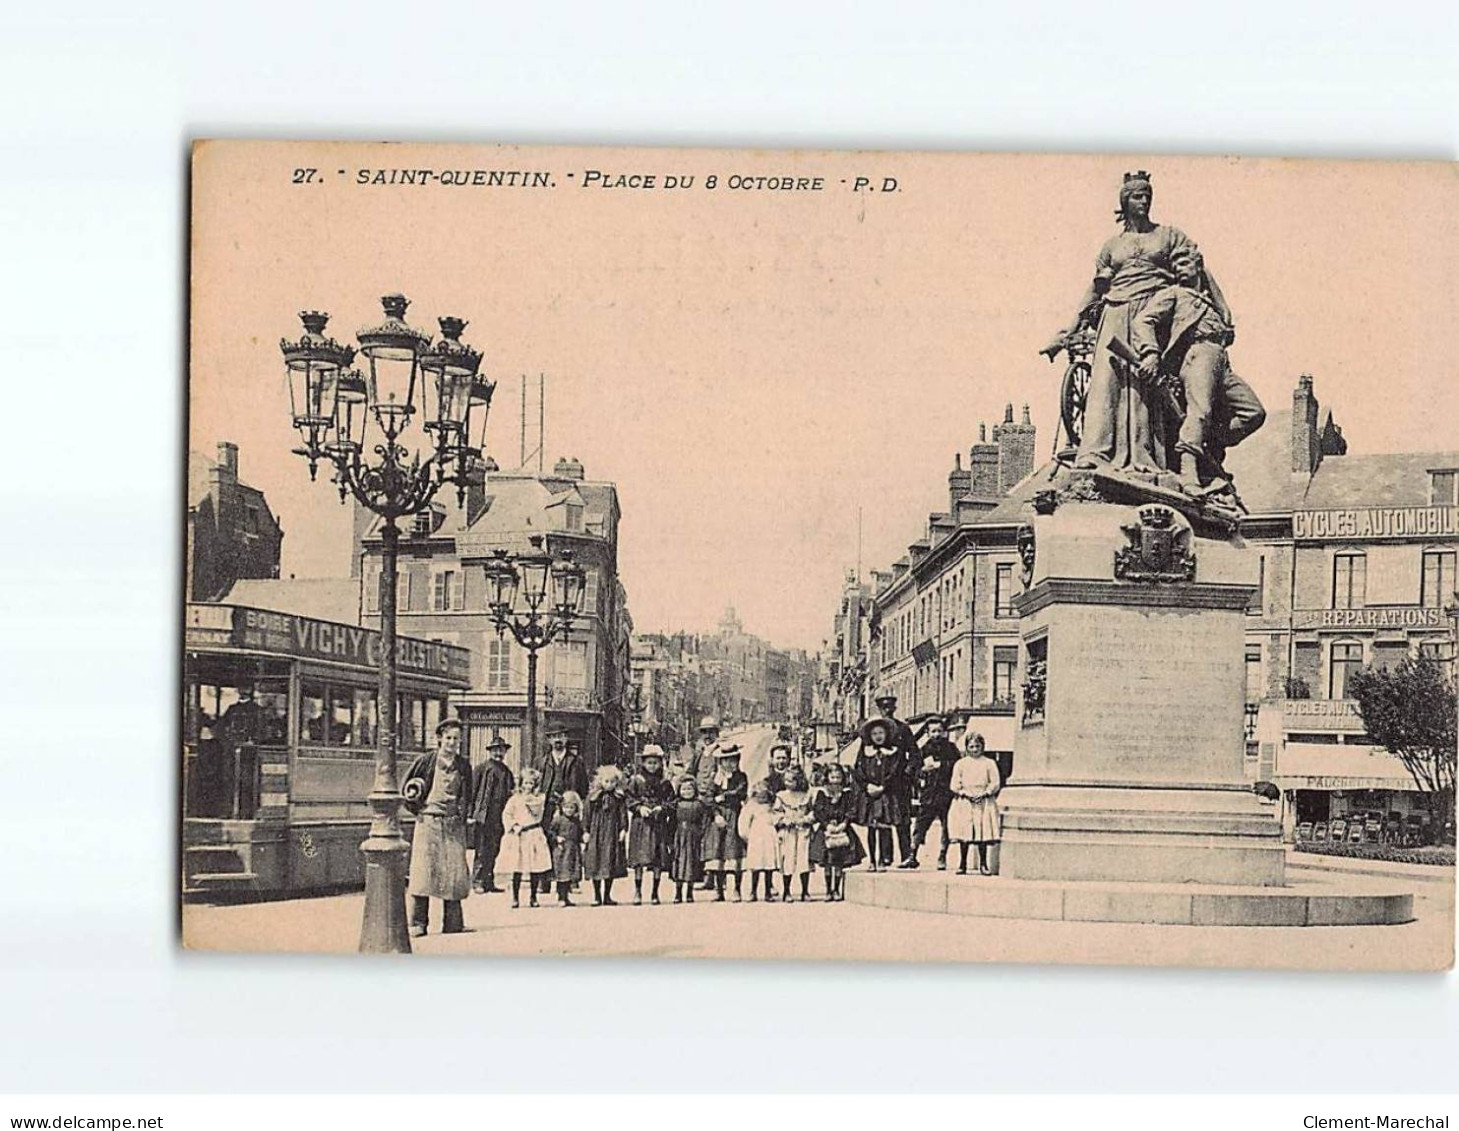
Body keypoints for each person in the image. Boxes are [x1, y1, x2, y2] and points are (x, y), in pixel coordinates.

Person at [1043, 171, 1231, 474]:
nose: (1144, 200)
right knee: (1106, 382)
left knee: (1146, 385)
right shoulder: (1111, 247)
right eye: (1136, 196)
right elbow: (1095, 289)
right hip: (1114, 314)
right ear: (1124, 201)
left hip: (1155, 315)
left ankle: (1146, 455)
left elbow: (1199, 268)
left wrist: (1221, 308)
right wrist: (1067, 331)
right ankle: (1096, 453)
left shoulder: (1169, 235)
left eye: (1147, 195)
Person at [1130, 245, 1265, 496]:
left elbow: (1225, 312)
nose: (1178, 269)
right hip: (1197, 355)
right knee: (1199, 410)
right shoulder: (1174, 294)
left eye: (1184, 263)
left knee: (1254, 413)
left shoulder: (1210, 302)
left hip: (1221, 360)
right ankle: (1189, 471)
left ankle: (1209, 444)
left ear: (1198, 266)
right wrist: (1150, 352)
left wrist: (1206, 274)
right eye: (1175, 265)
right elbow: (1143, 320)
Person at [402, 717, 474, 936]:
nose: (452, 742)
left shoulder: (463, 765)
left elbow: (467, 794)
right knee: (424, 874)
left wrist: (463, 816)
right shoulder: (425, 761)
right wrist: (419, 811)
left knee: (454, 874)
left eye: (456, 739)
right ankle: (418, 923)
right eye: (449, 738)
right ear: (440, 739)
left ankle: (453, 923)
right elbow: (407, 789)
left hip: (452, 824)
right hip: (428, 822)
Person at [870, 693, 917, 866]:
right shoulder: (874, 730)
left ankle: (906, 856)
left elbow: (914, 753)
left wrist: (909, 771)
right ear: (880, 710)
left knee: (902, 819)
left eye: (890, 707)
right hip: (881, 781)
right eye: (884, 708)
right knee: (883, 818)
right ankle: (885, 856)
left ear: (894, 709)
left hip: (899, 782)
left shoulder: (903, 729)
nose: (887, 711)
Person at [947, 732, 1002, 876]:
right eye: (971, 746)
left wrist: (986, 793)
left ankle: (983, 864)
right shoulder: (961, 764)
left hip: (983, 800)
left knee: (982, 833)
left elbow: (995, 782)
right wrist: (964, 793)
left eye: (977, 746)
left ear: (983, 747)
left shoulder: (989, 763)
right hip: (965, 801)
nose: (974, 749)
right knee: (965, 833)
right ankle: (963, 863)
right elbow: (954, 784)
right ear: (966, 747)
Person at [907, 714, 958, 870]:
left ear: (944, 732)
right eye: (933, 731)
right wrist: (921, 773)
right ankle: (912, 854)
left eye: (939, 731)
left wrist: (940, 765)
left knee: (946, 826)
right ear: (927, 733)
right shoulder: (923, 750)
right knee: (920, 824)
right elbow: (913, 770)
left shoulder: (951, 748)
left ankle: (942, 856)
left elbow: (957, 766)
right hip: (928, 794)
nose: (936, 735)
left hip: (946, 793)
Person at [627, 745, 675, 905]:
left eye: (655, 762)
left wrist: (662, 808)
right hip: (641, 824)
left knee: (657, 858)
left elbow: (672, 801)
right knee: (639, 859)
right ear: (643, 763)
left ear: (660, 763)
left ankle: (655, 892)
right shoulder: (636, 780)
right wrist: (639, 808)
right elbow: (629, 799)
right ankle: (638, 891)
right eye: (649, 762)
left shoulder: (665, 782)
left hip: (658, 823)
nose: (652, 766)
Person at [853, 717, 903, 871]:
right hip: (869, 795)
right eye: (875, 733)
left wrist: (883, 786)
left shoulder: (893, 752)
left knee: (883, 828)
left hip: (886, 794)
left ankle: (883, 859)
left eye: (881, 732)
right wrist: (867, 785)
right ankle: (872, 860)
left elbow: (896, 772)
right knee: (871, 828)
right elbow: (858, 771)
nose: (878, 736)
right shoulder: (865, 752)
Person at [498, 767, 551, 908]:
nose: (528, 786)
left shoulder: (539, 799)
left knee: (535, 866)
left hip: (534, 833)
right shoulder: (515, 799)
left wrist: (531, 801)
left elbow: (538, 813)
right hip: (520, 834)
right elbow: (507, 814)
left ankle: (533, 897)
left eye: (531, 783)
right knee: (518, 865)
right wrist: (513, 825)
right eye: (526, 783)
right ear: (521, 783)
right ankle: (515, 897)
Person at [701, 744, 749, 901]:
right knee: (717, 852)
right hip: (718, 817)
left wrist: (724, 796)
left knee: (734, 852)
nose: (729, 764)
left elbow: (740, 793)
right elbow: (707, 798)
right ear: (720, 762)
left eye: (732, 761)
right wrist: (715, 814)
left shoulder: (740, 777)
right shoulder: (715, 779)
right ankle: (719, 890)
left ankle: (736, 888)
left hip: (734, 815)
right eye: (725, 761)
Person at [470, 732, 515, 893]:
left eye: (501, 750)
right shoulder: (481, 769)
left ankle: (489, 881)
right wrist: (471, 814)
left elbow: (511, 795)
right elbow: (472, 793)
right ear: (490, 751)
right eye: (495, 750)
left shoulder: (507, 772)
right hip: (484, 815)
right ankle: (477, 881)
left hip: (499, 816)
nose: (498, 753)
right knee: (482, 849)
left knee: (494, 849)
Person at [811, 762, 864, 901]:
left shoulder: (847, 794)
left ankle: (836, 889)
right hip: (826, 830)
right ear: (827, 777)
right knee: (828, 863)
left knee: (839, 862)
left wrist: (844, 823)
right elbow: (818, 810)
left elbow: (851, 810)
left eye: (838, 777)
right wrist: (826, 824)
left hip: (842, 829)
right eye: (832, 777)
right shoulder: (822, 793)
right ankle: (828, 889)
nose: (835, 780)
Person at [582, 765, 629, 906]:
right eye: (606, 781)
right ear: (600, 781)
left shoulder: (618, 798)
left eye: (612, 782)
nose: (609, 785)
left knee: (610, 862)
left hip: (612, 833)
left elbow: (623, 814)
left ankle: (607, 895)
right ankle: (597, 895)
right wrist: (585, 831)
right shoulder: (593, 797)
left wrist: (623, 829)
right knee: (596, 862)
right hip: (596, 832)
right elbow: (586, 815)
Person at [773, 764, 815, 902]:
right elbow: (776, 813)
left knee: (804, 859)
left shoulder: (806, 796)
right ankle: (786, 891)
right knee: (788, 860)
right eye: (786, 780)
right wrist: (784, 820)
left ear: (799, 780)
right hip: (788, 831)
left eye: (791, 780)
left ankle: (805, 891)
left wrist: (806, 819)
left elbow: (813, 811)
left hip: (803, 830)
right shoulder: (781, 796)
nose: (787, 783)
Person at [738, 779, 782, 902]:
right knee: (756, 867)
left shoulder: (772, 806)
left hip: (769, 837)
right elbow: (744, 822)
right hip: (756, 837)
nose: (762, 798)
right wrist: (747, 837)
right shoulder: (751, 806)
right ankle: (753, 891)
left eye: (764, 795)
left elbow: (778, 817)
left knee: (769, 867)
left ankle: (768, 892)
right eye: (759, 795)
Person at [670, 775, 707, 903]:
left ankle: (690, 892)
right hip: (679, 836)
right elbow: (672, 822)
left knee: (692, 863)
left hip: (693, 836)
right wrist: (670, 839)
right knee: (679, 863)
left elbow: (703, 820)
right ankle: (678, 892)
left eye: (689, 789)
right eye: (684, 789)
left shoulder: (698, 804)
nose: (687, 792)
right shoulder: (676, 804)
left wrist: (701, 834)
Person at [549, 791, 584, 906]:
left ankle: (567, 897)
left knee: (570, 874)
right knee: (562, 874)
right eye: (566, 807)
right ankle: (561, 897)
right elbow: (550, 832)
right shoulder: (558, 820)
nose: (569, 810)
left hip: (573, 850)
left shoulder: (576, 821)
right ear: (562, 807)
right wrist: (556, 838)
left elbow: (579, 834)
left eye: (571, 808)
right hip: (562, 850)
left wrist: (582, 839)